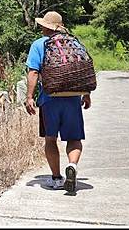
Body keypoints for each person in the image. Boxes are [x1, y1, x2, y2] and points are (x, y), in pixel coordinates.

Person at [23, 11, 91, 193]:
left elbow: (33, 72)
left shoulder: (38, 44)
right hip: (72, 99)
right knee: (74, 139)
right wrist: (86, 94)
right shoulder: (74, 43)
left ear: (46, 26)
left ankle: (56, 178)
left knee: (51, 139)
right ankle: (73, 166)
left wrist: (30, 97)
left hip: (49, 99)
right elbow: (82, 71)